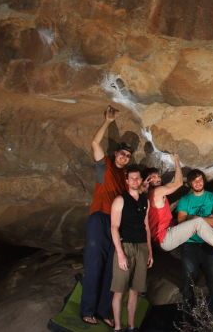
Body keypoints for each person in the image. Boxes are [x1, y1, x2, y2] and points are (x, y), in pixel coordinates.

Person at [81, 105, 131, 327]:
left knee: (113, 268)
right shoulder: (106, 166)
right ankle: (88, 310)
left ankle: (104, 310)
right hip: (100, 217)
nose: (125, 157)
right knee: (95, 263)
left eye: (128, 156)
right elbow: (94, 143)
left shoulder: (125, 178)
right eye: (122, 153)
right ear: (115, 154)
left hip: (116, 225)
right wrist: (108, 122)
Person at [147, 154, 213, 254]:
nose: (158, 178)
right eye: (153, 177)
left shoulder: (153, 194)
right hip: (165, 238)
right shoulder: (156, 192)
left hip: (163, 237)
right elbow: (178, 183)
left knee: (194, 219)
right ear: (147, 180)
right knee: (197, 222)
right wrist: (177, 160)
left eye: (158, 176)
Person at [110, 165, 153, 332]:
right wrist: (120, 254)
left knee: (135, 290)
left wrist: (149, 251)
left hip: (142, 246)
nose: (135, 181)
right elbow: (114, 227)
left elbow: (147, 226)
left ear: (141, 180)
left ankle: (131, 326)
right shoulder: (120, 200)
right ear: (127, 180)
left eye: (138, 178)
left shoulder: (145, 201)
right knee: (119, 291)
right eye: (132, 178)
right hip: (125, 246)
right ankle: (118, 327)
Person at [176, 169, 213, 311]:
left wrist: (194, 219)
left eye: (200, 180)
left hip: (209, 243)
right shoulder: (185, 200)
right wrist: (207, 219)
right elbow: (180, 221)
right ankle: (189, 313)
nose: (198, 183)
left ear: (204, 181)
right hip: (190, 244)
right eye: (194, 180)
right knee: (188, 280)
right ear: (190, 183)